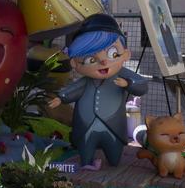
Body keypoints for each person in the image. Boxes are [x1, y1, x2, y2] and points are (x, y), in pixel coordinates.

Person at [47, 13, 149, 170]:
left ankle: (113, 160)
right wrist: (61, 98)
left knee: (114, 156)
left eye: (112, 53)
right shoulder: (85, 82)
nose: (103, 61)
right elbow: (73, 89)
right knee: (86, 148)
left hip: (113, 126)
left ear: (126, 54)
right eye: (91, 59)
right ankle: (87, 162)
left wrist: (128, 83)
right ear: (75, 63)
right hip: (86, 125)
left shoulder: (122, 75)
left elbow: (142, 85)